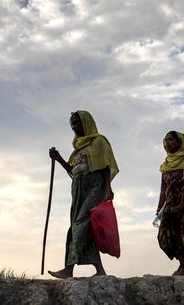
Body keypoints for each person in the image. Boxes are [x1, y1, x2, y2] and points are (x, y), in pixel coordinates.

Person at [48, 110, 119, 279]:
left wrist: (108, 188)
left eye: (77, 123)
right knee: (84, 227)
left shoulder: (99, 141)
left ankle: (68, 269)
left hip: (95, 187)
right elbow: (74, 172)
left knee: (79, 225)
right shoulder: (78, 146)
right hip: (78, 189)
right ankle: (99, 270)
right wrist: (58, 159)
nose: (74, 127)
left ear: (86, 123)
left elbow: (106, 166)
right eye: (72, 124)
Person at [156, 131, 184, 276]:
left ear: (179, 142)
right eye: (166, 140)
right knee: (165, 235)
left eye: (171, 140)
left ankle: (183, 267)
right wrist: (159, 208)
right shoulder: (166, 164)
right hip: (171, 204)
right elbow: (163, 189)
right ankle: (182, 262)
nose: (167, 143)